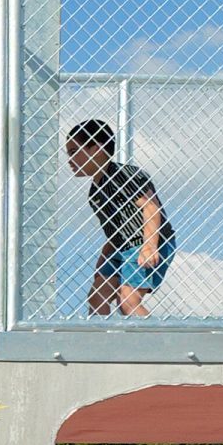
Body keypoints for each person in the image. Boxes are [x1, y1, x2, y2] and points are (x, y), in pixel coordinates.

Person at [68, 119, 175, 317]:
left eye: (74, 151)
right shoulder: (95, 193)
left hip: (145, 242)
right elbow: (112, 231)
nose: (69, 159)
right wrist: (102, 264)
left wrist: (149, 246)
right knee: (97, 296)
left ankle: (155, 342)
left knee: (127, 301)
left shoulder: (123, 175)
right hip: (120, 247)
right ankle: (103, 340)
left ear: (96, 149)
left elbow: (151, 206)